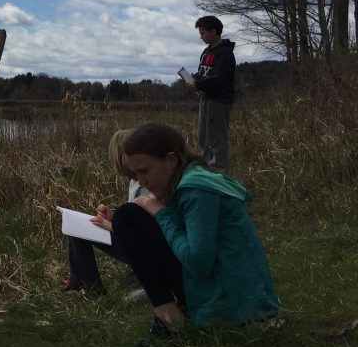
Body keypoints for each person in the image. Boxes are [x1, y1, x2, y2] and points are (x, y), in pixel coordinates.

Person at [120, 122, 280, 334]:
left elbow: (198, 263)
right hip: (226, 286)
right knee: (131, 217)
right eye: (136, 174)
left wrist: (160, 213)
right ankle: (173, 313)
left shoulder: (195, 191)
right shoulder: (193, 177)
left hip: (231, 300)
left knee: (127, 216)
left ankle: (170, 317)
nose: (141, 181)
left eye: (144, 171)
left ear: (171, 160)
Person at [61, 129, 146, 295]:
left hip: (141, 251)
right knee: (75, 228)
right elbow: (135, 216)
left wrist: (108, 224)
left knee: (78, 232)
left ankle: (92, 288)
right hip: (135, 245)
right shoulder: (135, 180)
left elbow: (142, 232)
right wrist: (114, 215)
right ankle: (78, 281)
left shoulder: (143, 186)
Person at [188, 15, 236, 172]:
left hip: (219, 100)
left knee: (216, 137)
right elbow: (204, 73)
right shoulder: (207, 51)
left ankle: (219, 171)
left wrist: (198, 84)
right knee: (203, 136)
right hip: (205, 98)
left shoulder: (225, 53)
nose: (201, 37)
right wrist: (193, 79)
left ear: (213, 31)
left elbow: (219, 79)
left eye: (203, 33)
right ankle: (209, 168)